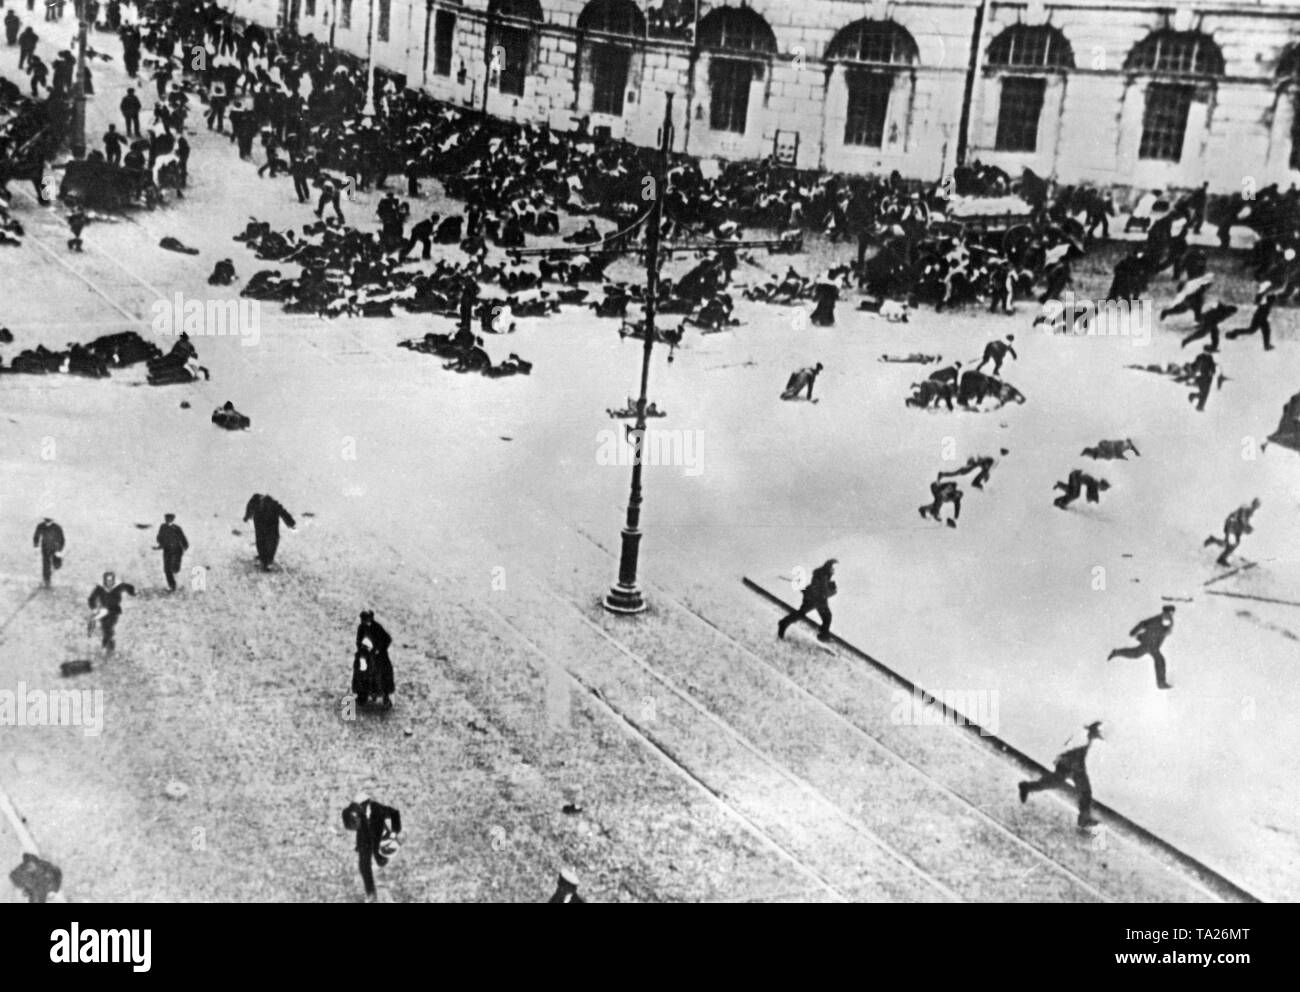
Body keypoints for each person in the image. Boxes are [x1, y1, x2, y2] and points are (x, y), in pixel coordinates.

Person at [1018, 721, 1103, 828]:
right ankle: (1083, 820)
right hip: (1072, 765)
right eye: (1096, 732)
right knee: (1083, 791)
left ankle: (1027, 787)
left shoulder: (1085, 739)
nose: (1098, 735)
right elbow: (1072, 749)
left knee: (1054, 783)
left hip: (1071, 764)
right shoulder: (1083, 740)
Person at [341, 794, 402, 903]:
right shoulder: (355, 812)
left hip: (378, 840)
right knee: (364, 866)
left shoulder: (377, 808)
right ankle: (371, 894)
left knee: (381, 862)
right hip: (364, 842)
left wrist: (394, 831)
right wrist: (351, 813)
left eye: (361, 806)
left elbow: (394, 813)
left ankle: (383, 886)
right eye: (358, 807)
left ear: (366, 803)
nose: (360, 809)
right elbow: (349, 823)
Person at [1107, 605, 1175, 689]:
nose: (1170, 615)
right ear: (1165, 612)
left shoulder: (1165, 619)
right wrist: (1134, 631)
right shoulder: (1159, 619)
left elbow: (1146, 625)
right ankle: (1161, 683)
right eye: (1169, 613)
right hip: (1150, 642)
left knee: (1136, 653)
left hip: (1151, 642)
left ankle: (1116, 652)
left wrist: (1134, 632)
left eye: (1171, 613)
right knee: (1159, 660)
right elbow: (1144, 624)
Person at [777, 559, 837, 642]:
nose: (833, 571)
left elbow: (819, 588)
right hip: (817, 600)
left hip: (813, 598)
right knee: (827, 617)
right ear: (828, 568)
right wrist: (832, 590)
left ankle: (784, 623)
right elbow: (823, 591)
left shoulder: (822, 575)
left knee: (802, 613)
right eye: (832, 569)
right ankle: (823, 635)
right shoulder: (823, 576)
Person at [242, 493, 296, 570]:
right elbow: (284, 513)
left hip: (261, 526)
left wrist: (247, 517)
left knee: (261, 542)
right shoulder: (274, 504)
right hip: (272, 527)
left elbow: (249, 509)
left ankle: (264, 560)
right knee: (272, 542)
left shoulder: (255, 501)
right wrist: (291, 524)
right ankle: (268, 560)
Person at [87, 571, 137, 653]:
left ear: (113, 580)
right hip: (104, 610)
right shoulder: (100, 588)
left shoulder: (118, 586)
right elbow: (92, 598)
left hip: (114, 610)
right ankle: (107, 644)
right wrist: (94, 608)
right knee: (104, 628)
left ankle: (109, 647)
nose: (109, 583)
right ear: (104, 580)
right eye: (107, 580)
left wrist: (133, 593)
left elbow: (129, 587)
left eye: (111, 580)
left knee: (109, 628)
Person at [354, 610, 395, 709]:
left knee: (381, 675)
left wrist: (378, 649)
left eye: (366, 619)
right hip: (365, 655)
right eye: (363, 619)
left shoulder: (377, 627)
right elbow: (358, 641)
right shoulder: (361, 628)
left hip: (378, 656)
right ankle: (362, 696)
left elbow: (387, 639)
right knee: (361, 672)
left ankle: (385, 698)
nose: (365, 621)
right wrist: (362, 647)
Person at [1204, 498, 1261, 567]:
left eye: (1257, 506)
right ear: (1253, 504)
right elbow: (1241, 519)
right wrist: (1247, 527)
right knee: (1230, 543)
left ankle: (1215, 543)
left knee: (1230, 543)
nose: (1256, 507)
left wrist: (1247, 527)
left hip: (1235, 527)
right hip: (1232, 525)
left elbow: (1243, 521)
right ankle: (1221, 557)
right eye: (1256, 505)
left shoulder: (1250, 511)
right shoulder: (1246, 508)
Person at [1225, 282, 1278, 351]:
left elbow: (1259, 299)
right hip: (1260, 316)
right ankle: (1266, 345)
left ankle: (1266, 345)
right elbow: (1258, 300)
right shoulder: (1266, 300)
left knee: (1255, 330)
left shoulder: (1267, 299)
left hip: (1260, 316)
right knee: (1258, 330)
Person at [938, 449, 1008, 490]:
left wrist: (986, 476)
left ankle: (976, 482)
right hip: (973, 462)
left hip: (978, 462)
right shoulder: (989, 458)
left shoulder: (992, 460)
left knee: (962, 472)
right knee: (960, 472)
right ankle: (943, 474)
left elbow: (988, 469)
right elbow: (979, 458)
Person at [154, 513, 189, 592]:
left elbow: (183, 538)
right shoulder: (163, 527)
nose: (167, 519)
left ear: (173, 519)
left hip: (177, 550)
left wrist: (185, 546)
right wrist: (160, 544)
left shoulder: (177, 528)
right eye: (166, 518)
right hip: (167, 550)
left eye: (169, 518)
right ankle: (172, 586)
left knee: (175, 569)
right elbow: (159, 537)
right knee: (167, 569)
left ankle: (176, 575)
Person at [33, 517, 65, 587]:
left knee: (56, 563)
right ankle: (47, 579)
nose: (47, 522)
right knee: (46, 563)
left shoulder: (57, 527)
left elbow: (61, 539)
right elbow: (36, 536)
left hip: (55, 547)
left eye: (48, 521)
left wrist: (59, 550)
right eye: (46, 520)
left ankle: (57, 563)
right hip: (45, 547)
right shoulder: (41, 526)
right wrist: (36, 545)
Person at [1188, 345, 1218, 412]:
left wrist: (1213, 370)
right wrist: (1193, 370)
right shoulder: (1200, 357)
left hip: (1208, 378)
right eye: (1208, 351)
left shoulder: (1210, 357)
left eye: (1209, 351)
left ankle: (1199, 405)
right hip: (1202, 377)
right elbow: (1195, 366)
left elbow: (1212, 366)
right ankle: (1196, 401)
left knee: (1205, 394)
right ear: (1204, 351)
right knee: (1204, 393)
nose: (1209, 353)